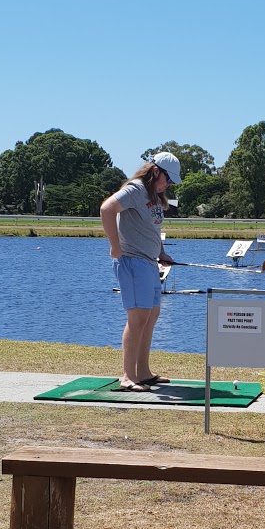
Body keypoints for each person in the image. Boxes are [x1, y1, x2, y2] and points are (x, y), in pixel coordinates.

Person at [100, 151, 182, 391]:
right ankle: (128, 376)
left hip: (149, 263)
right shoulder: (135, 189)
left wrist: (162, 252)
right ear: (156, 171)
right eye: (168, 179)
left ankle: (143, 372)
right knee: (137, 318)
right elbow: (107, 209)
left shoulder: (155, 196)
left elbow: (152, 230)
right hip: (132, 261)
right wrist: (115, 246)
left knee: (151, 315)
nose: (169, 184)